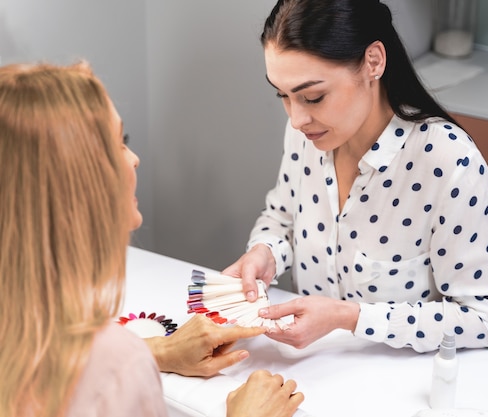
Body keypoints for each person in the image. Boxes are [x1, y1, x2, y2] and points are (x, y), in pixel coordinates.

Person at [0, 62, 303, 417]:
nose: (135, 159)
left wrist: (158, 350)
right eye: (119, 143)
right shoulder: (117, 368)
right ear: (73, 186)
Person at [222, 0, 488, 352]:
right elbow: (282, 218)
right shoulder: (305, 135)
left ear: (374, 61)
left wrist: (350, 317)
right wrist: (265, 252)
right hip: (310, 368)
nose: (296, 119)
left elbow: (484, 317)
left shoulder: (448, 161)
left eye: (313, 97)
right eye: (284, 95)